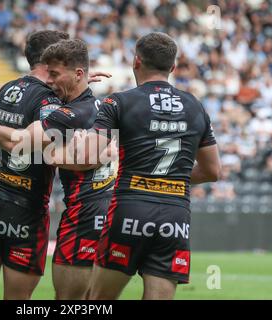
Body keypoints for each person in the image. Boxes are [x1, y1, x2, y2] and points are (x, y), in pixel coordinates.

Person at [0, 39, 116, 299]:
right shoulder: (57, 103)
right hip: (28, 210)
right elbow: (25, 144)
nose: (53, 80)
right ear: (45, 63)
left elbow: (6, 142)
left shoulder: (9, 87)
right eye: (52, 73)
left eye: (58, 74)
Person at [80, 32, 221, 299]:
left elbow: (87, 156)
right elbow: (213, 171)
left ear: (136, 62)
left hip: (130, 208)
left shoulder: (118, 102)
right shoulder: (196, 106)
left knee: (98, 301)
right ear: (173, 67)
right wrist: (175, 177)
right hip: (175, 217)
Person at [0, 30, 69, 300]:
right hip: (25, 209)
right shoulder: (49, 101)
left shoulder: (8, 88)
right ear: (52, 60)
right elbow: (34, 146)